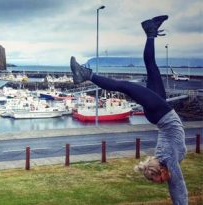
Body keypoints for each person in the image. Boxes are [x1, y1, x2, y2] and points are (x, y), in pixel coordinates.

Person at [70, 15, 187, 205]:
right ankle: (150, 32)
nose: (161, 183)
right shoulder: (168, 161)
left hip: (160, 113)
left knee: (125, 86)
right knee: (152, 68)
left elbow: (177, 187)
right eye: (157, 181)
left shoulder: (167, 158)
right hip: (160, 114)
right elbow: (178, 186)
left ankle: (86, 74)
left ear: (161, 171)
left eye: (157, 179)